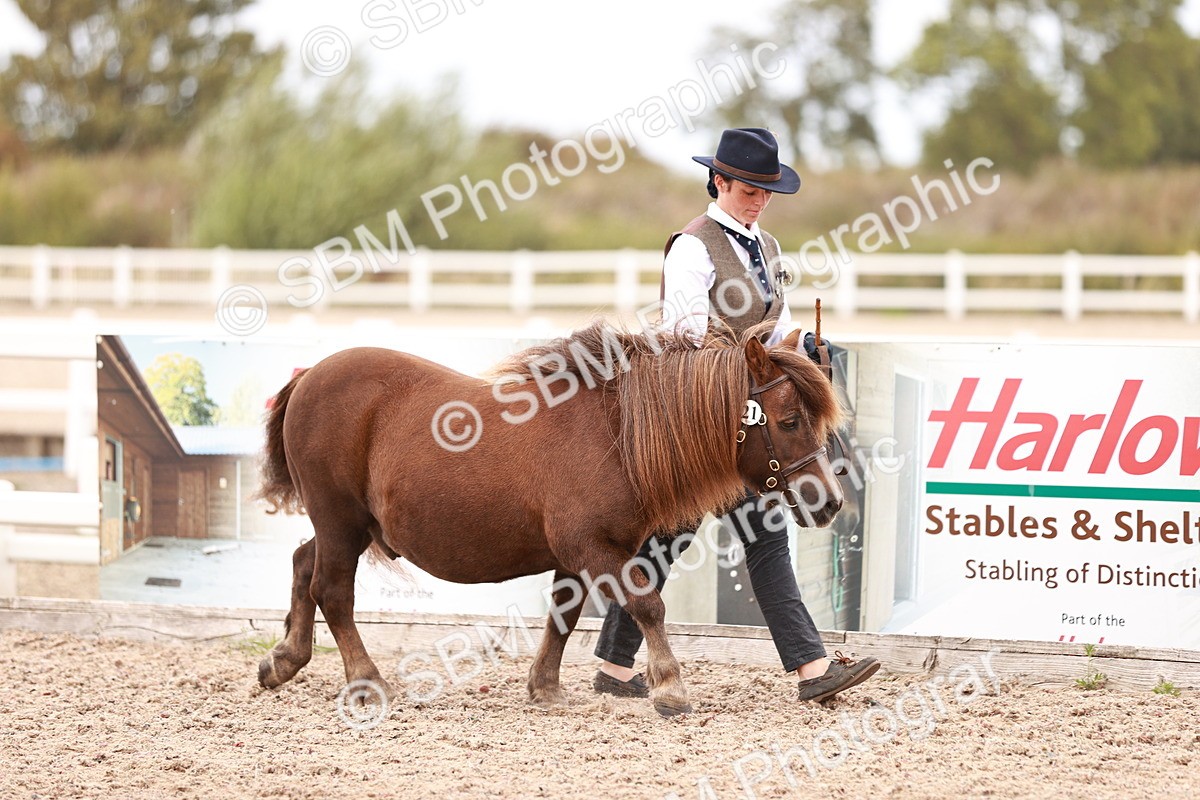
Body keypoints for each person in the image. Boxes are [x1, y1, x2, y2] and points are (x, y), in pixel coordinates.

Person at [592, 127, 879, 704]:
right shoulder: (693, 247)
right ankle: (810, 669)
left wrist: (803, 353)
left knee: (707, 540)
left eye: (767, 190)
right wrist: (750, 363)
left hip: (752, 425)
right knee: (700, 540)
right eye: (750, 188)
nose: (760, 199)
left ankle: (616, 666)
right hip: (707, 422)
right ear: (719, 180)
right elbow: (685, 337)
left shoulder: (767, 249)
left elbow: (777, 328)